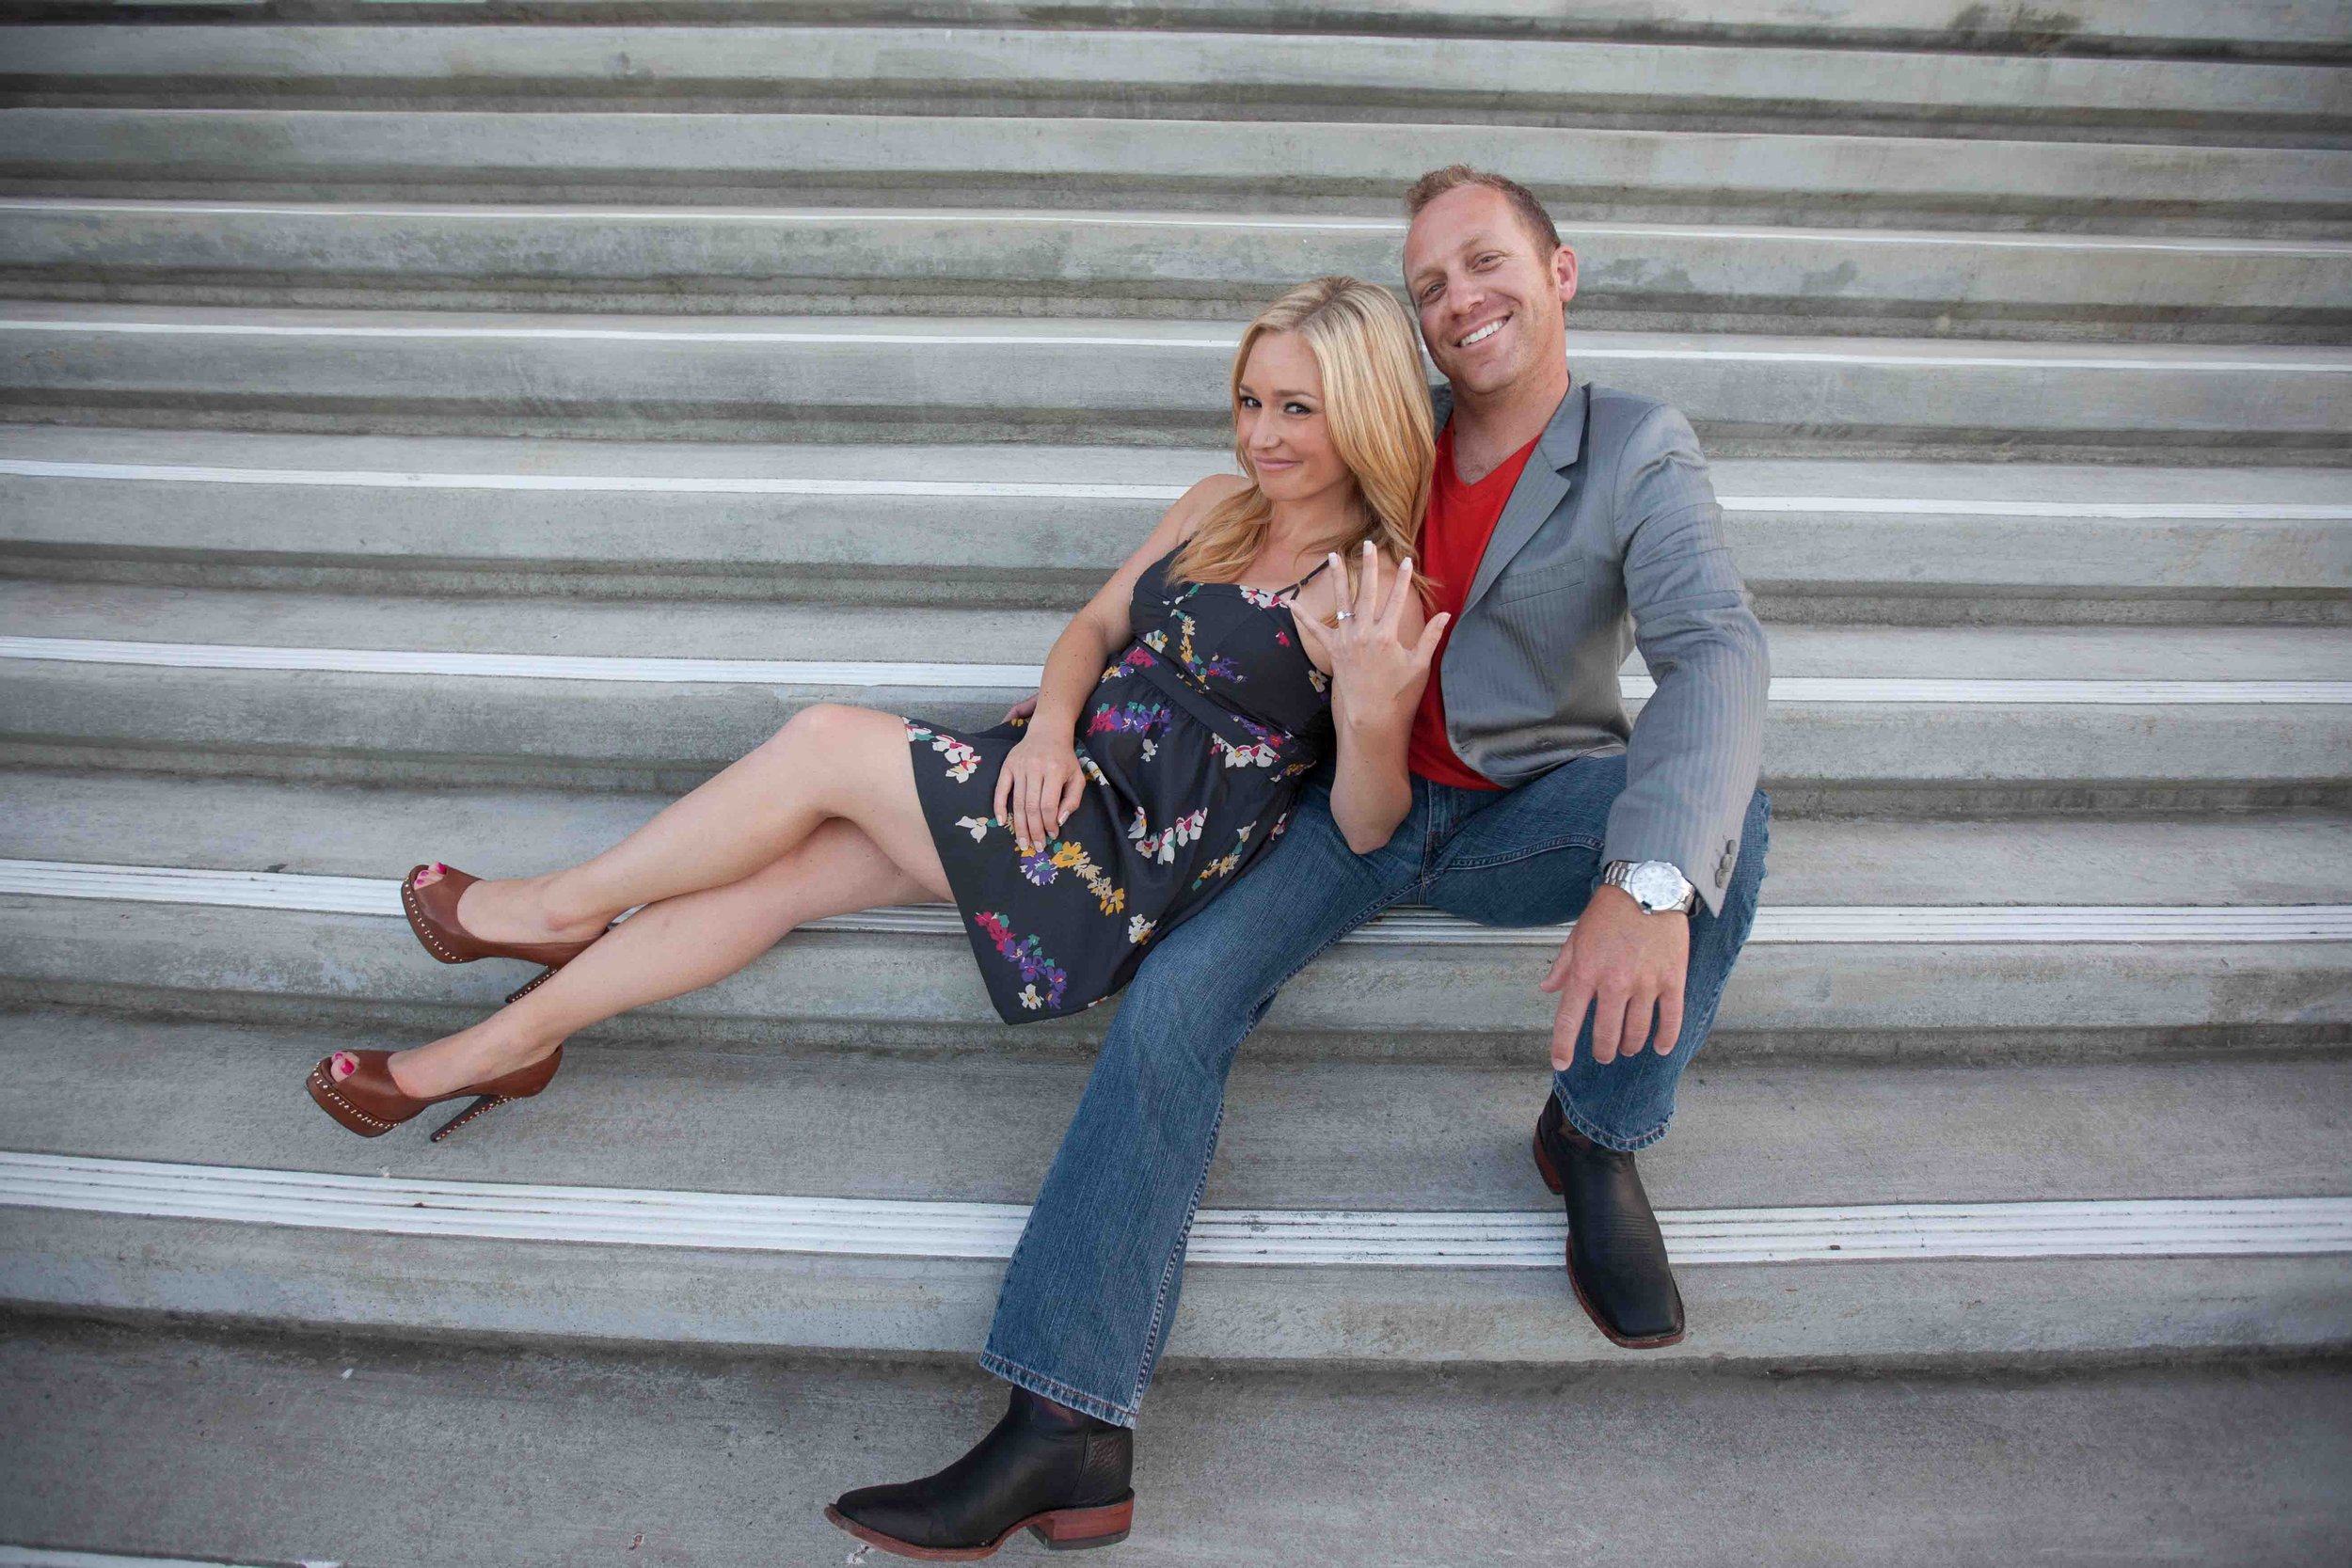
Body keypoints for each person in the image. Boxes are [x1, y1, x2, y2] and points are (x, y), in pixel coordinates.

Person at [827, 166, 1772, 1560]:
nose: (1460, 298)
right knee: (1172, 1009)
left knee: (1721, 824)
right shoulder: (1383, 425)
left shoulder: (1634, 449)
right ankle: (1067, 1426)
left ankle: (1596, 1131)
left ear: (1560, 273)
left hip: (1519, 808)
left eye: (1487, 262)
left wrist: (1643, 885)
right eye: (1431, 281)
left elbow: (1718, 654)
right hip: (1339, 814)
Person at [299, 276, 1442, 1212]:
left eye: (1299, 407)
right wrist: (1047, 727)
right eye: (1251, 400)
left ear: (1369, 408)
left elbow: (1366, 821)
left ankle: (554, 909)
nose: (1262, 433)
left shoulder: (1367, 586)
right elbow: (1096, 627)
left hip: (1121, 862)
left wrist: (1369, 701)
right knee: (788, 872)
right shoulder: (1213, 503)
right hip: (1046, 777)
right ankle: (497, 1048)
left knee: (825, 742)